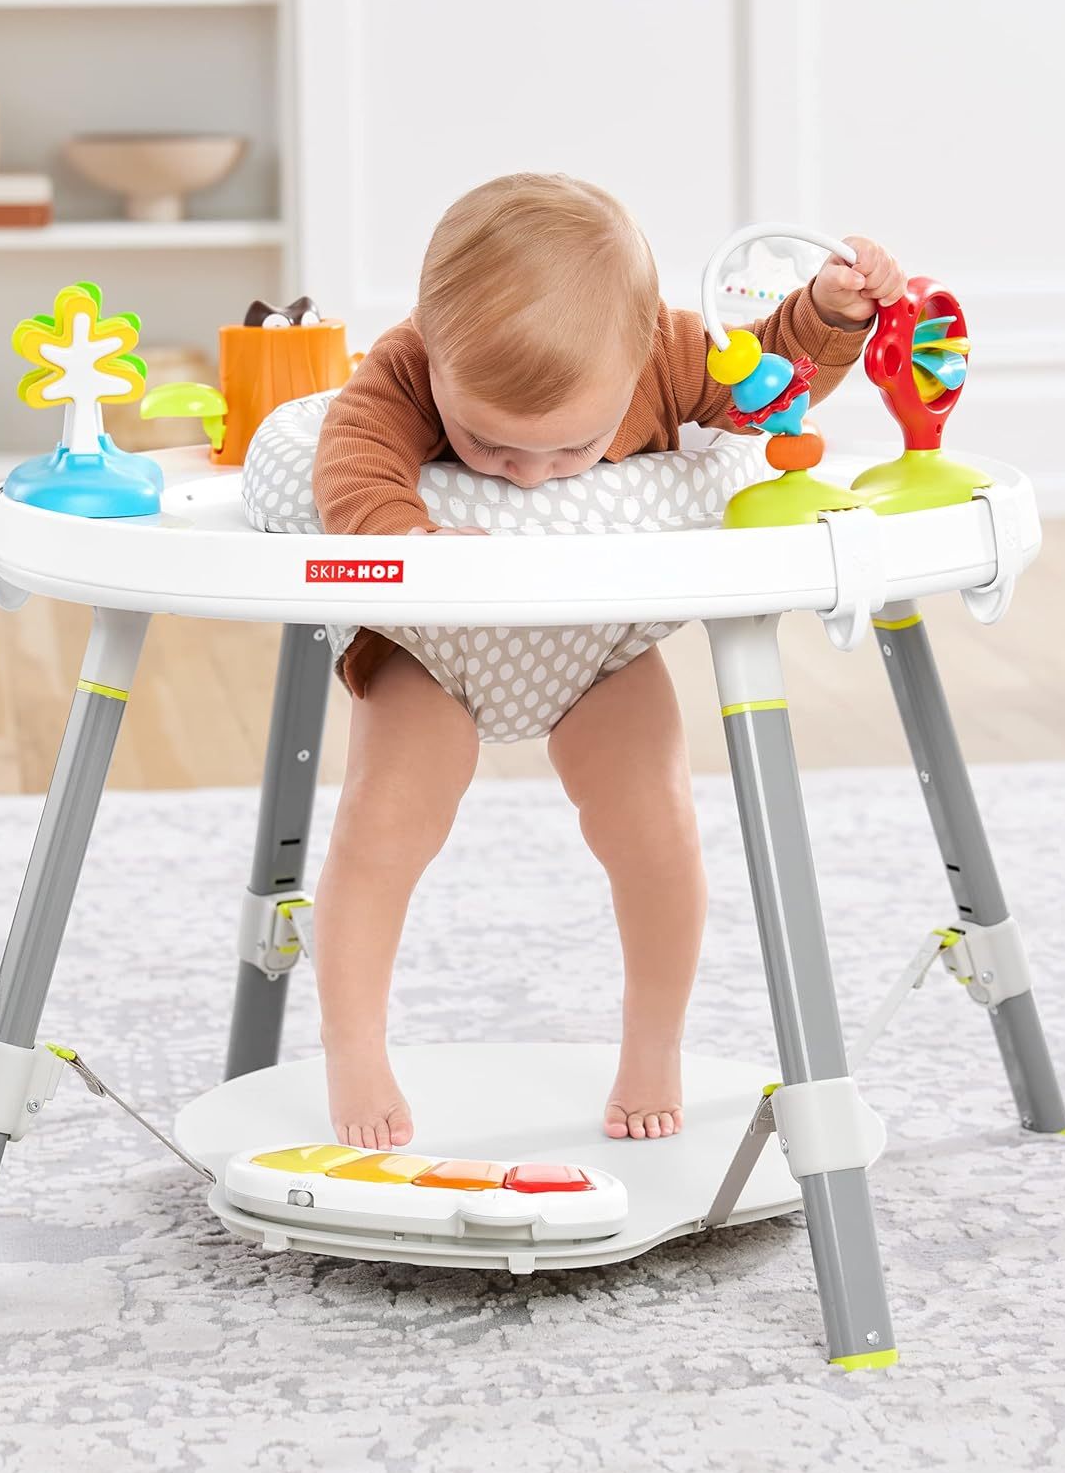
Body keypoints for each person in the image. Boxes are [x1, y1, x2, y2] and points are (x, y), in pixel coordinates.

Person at [310, 173, 905, 1148]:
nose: (530, 476)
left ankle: (654, 1041)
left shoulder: (669, 350)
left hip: (598, 645)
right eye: (489, 446)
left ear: (638, 359)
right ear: (434, 348)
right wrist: (405, 541)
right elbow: (353, 452)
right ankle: (354, 1047)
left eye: (571, 449)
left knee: (657, 832)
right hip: (434, 643)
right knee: (380, 832)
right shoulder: (406, 367)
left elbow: (771, 383)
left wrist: (830, 314)